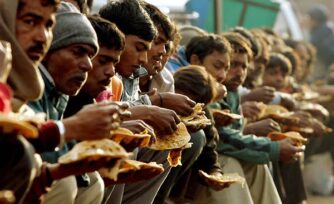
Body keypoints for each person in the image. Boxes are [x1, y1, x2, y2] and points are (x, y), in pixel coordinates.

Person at [27, 3, 122, 204]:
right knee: (64, 183)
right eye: (78, 52)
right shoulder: (26, 82)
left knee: (92, 181)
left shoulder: (59, 89)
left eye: (90, 55)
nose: (88, 64)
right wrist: (74, 130)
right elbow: (26, 151)